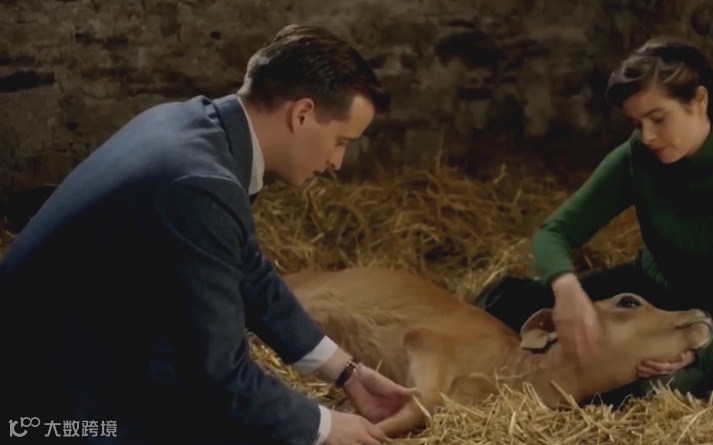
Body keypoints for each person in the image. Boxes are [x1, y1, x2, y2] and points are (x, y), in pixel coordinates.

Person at [1, 24, 414, 445]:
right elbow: (221, 379)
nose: (337, 162)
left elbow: (247, 271)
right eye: (341, 141)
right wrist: (324, 427)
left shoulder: (187, 123)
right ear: (302, 114)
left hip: (60, 358)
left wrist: (346, 372)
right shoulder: (200, 184)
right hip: (46, 413)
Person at [474, 35, 713, 406]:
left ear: (699, 100)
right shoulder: (639, 156)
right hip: (645, 296)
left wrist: (702, 350)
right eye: (636, 123)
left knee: (639, 391)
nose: (647, 136)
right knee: (503, 301)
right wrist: (567, 290)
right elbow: (555, 231)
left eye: (658, 119)